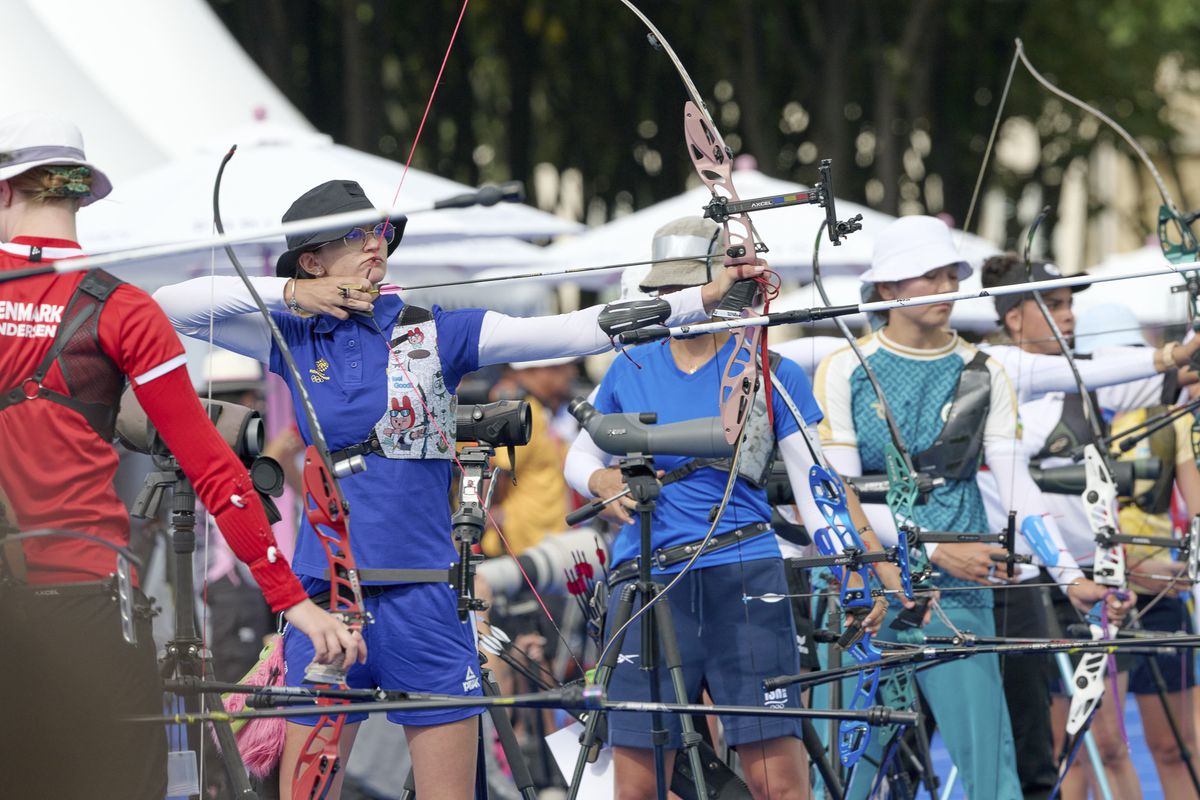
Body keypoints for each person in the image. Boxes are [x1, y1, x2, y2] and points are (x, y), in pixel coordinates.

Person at [153, 184, 759, 799]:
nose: (374, 244)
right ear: (312, 261)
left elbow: (574, 331)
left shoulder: (437, 331)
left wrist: (700, 299)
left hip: (424, 593)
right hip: (327, 593)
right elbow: (166, 306)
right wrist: (293, 294)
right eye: (355, 235)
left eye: (379, 232)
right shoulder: (291, 332)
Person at [0, 113, 363, 800]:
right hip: (86, 605)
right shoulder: (125, 309)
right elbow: (214, 468)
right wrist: (293, 602)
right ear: (80, 195)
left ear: (4, 192)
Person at [562, 217, 912, 800]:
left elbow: (816, 487)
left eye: (688, 285)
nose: (673, 301)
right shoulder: (632, 363)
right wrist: (602, 478)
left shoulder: (773, 370)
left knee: (778, 783)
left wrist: (856, 570)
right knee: (639, 787)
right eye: (661, 290)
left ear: (730, 283)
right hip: (647, 579)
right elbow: (580, 454)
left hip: (743, 573)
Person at [812, 215, 1131, 800]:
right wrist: (933, 548)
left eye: (950, 274)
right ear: (888, 289)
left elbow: (1017, 486)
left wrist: (1068, 576)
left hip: (961, 594)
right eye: (927, 277)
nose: (946, 287)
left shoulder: (986, 369)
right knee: (846, 769)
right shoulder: (845, 367)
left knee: (990, 770)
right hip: (869, 586)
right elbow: (840, 492)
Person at [978, 257, 1191, 799]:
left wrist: (1186, 350)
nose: (1067, 315)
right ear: (1012, 316)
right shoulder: (986, 374)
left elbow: (1174, 372)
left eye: (1070, 303)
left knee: (1114, 743)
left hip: (1097, 582)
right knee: (1063, 746)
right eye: (1051, 304)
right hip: (1031, 586)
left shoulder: (1092, 377)